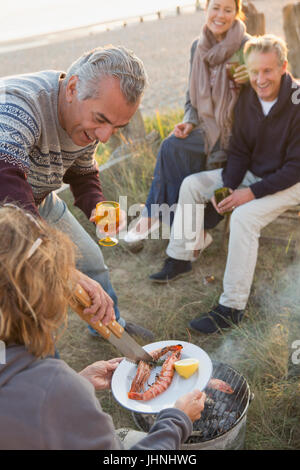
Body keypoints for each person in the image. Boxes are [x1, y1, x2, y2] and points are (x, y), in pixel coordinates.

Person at [0, 204, 206, 450]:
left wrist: (78, 383)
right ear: (45, 296)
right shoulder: (54, 385)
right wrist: (177, 420)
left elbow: (23, 409)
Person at [149, 34, 300, 334]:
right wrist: (229, 186)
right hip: (254, 173)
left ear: (283, 66)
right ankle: (180, 257)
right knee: (193, 184)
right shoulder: (247, 98)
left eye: (268, 70)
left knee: (244, 216)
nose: (260, 79)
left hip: (291, 182)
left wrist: (250, 194)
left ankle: (232, 307)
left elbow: (295, 167)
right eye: (254, 71)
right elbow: (240, 150)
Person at [0, 45, 153, 340]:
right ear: (72, 87)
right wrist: (54, 261)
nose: (105, 136)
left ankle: (109, 328)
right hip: (6, 209)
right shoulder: (17, 107)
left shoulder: (86, 117)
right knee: (28, 292)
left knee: (91, 261)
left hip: (38, 200)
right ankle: (41, 366)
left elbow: (82, 171)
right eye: (102, 121)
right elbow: (5, 184)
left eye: (117, 126)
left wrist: (96, 205)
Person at [124, 0, 250, 249]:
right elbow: (191, 94)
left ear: (237, 13)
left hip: (238, 134)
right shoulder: (198, 46)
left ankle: (158, 219)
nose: (220, 15)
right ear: (206, 8)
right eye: (215, 7)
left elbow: (263, 97)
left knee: (173, 149)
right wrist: (189, 122)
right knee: (173, 144)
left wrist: (249, 81)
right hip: (204, 128)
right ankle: (179, 226)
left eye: (228, 10)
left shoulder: (247, 47)